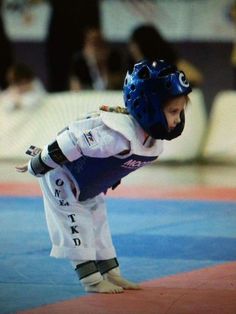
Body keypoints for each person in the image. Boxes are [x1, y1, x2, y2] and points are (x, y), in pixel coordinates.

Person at [16, 59, 192, 293]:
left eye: (180, 112)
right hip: (61, 176)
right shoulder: (117, 135)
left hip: (88, 183)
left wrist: (111, 175)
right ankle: (91, 280)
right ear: (147, 106)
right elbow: (71, 141)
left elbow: (116, 162)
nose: (178, 120)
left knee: (99, 222)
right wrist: (37, 165)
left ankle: (112, 273)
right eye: (173, 112)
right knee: (76, 223)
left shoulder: (152, 144)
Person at [128, 24, 203, 88]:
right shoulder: (132, 69)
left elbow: (196, 78)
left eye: (134, 45)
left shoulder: (173, 64)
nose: (131, 49)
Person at [69, 27, 123, 91]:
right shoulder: (79, 62)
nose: (96, 48)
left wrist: (103, 65)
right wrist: (92, 64)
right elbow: (75, 90)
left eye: (99, 43)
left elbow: (118, 87)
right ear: (85, 45)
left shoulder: (113, 59)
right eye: (92, 43)